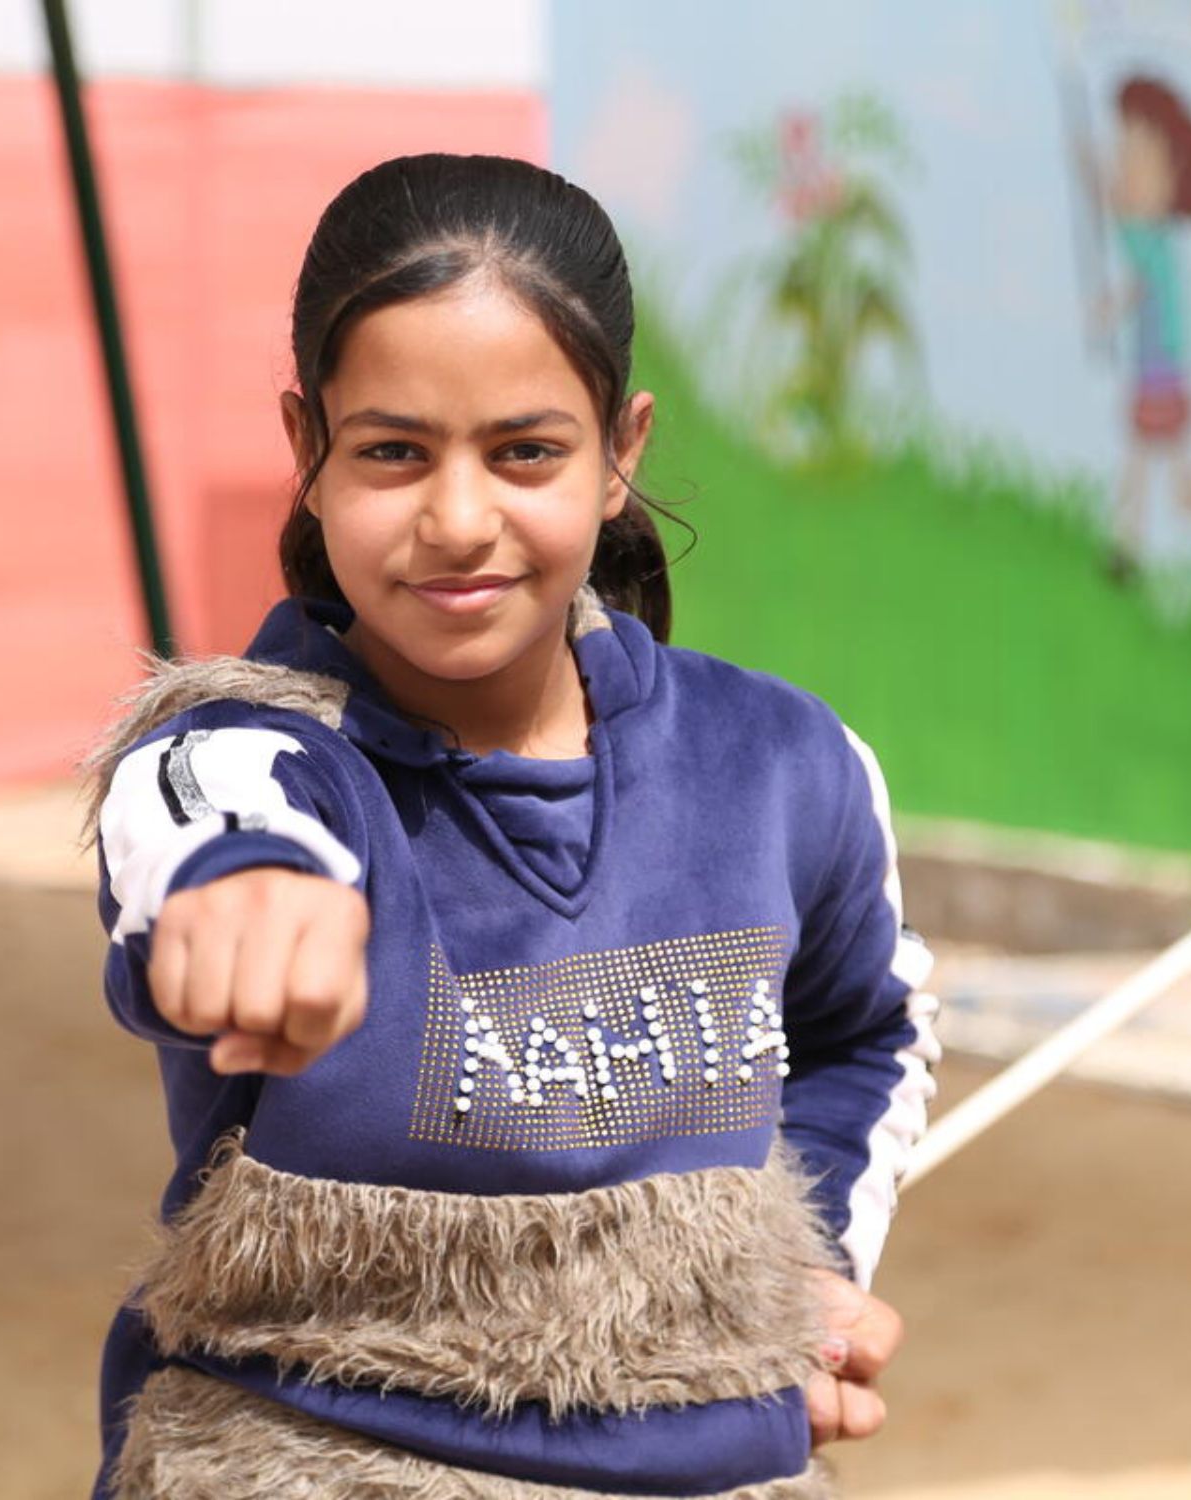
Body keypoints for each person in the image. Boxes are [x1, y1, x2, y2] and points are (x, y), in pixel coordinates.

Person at [85, 152, 941, 1500]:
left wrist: (803, 1272)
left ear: (621, 453)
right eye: (393, 453)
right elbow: (195, 825)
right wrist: (244, 891)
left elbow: (867, 1030)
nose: (458, 517)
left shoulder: (781, 764)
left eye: (526, 451)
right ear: (307, 453)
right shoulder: (243, 757)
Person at [1089, 74, 1191, 583]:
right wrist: (1096, 173)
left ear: (1172, 174)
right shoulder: (1146, 230)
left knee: (1158, 467)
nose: (1124, 168)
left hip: (1162, 370)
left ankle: (1138, 540)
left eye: (1137, 157)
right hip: (1158, 368)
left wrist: (1108, 310)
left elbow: (1135, 279)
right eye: (1121, 151)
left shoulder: (1153, 239)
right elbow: (1121, 207)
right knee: (1160, 466)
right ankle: (1131, 543)